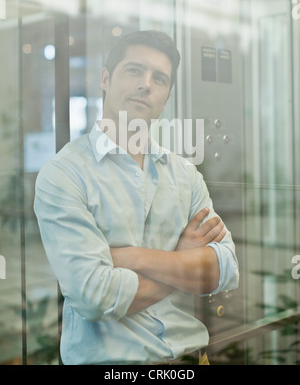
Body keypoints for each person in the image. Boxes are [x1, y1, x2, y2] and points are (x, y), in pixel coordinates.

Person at [34, 30, 239, 365]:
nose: (146, 84)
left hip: (192, 360)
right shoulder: (64, 174)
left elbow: (225, 268)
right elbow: (94, 295)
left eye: (159, 78)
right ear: (105, 78)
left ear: (166, 96)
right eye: (134, 70)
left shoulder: (185, 175)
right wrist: (181, 261)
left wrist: (132, 257)